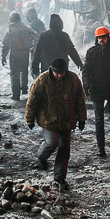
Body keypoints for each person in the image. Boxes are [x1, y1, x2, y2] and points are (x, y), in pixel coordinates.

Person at [25, 57, 87, 191]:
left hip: (67, 120)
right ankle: (41, 157)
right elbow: (32, 100)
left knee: (65, 148)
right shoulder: (42, 80)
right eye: (57, 73)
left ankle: (59, 177)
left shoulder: (73, 79)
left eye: (62, 72)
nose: (60, 75)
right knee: (52, 142)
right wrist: (29, 119)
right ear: (52, 70)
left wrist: (82, 118)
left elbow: (79, 100)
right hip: (48, 120)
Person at [82, 27, 110, 157]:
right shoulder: (91, 52)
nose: (101, 39)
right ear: (96, 39)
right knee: (99, 120)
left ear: (108, 37)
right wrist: (88, 87)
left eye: (104, 37)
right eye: (99, 37)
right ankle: (100, 148)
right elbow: (86, 71)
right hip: (97, 90)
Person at [2, 12, 35, 100]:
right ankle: (24, 88)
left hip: (14, 53)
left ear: (11, 19)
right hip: (25, 52)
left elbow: (5, 44)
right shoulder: (27, 28)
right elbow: (36, 37)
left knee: (14, 73)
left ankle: (16, 95)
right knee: (24, 70)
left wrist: (3, 56)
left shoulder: (9, 30)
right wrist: (32, 47)